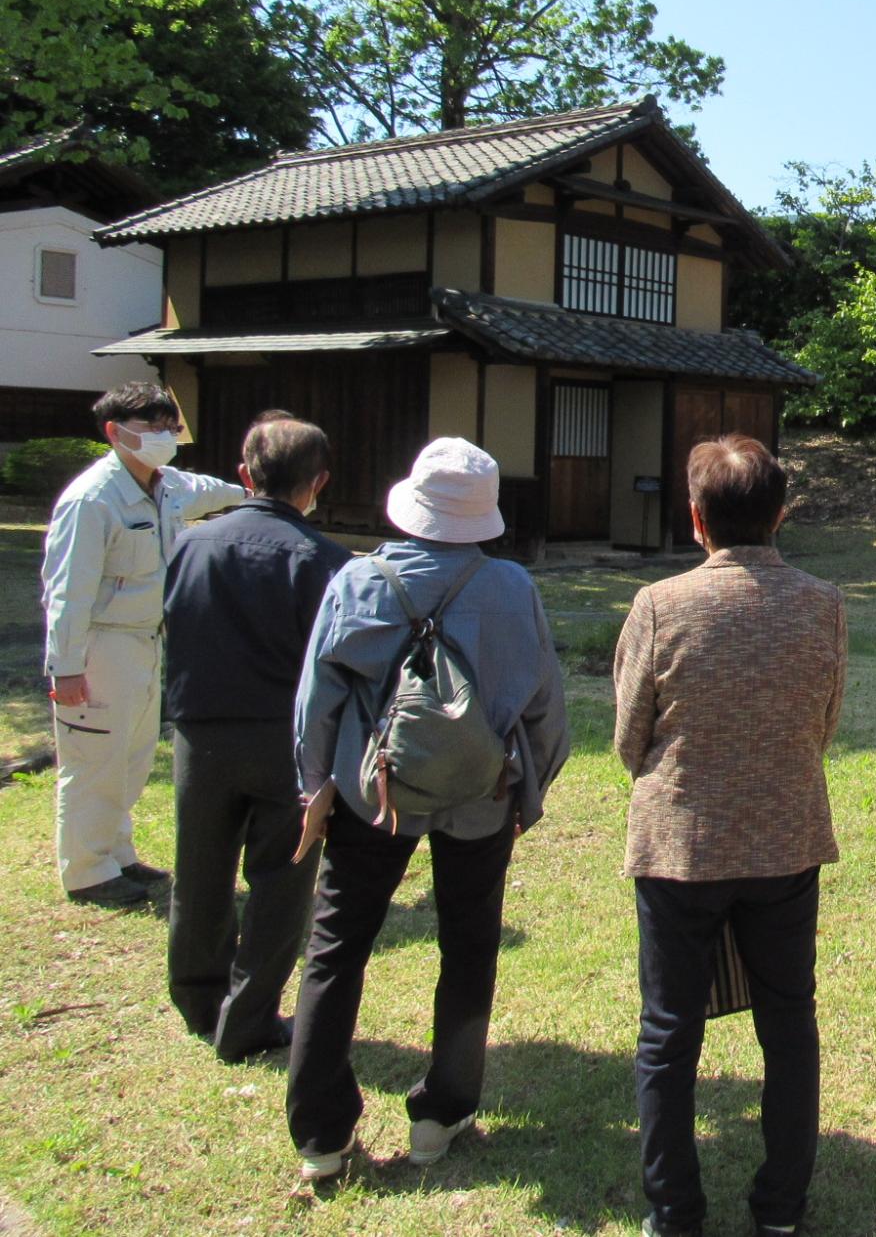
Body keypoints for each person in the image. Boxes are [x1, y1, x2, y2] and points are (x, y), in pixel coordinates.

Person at [286, 437, 568, 1183]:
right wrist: (529, 793)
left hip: (369, 797)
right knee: (469, 950)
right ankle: (443, 1115)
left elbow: (318, 702)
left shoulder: (359, 580)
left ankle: (321, 1137)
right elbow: (546, 709)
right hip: (482, 796)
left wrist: (315, 787)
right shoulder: (513, 588)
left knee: (336, 953)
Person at [612, 434, 847, 1237]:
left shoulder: (660, 606)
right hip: (785, 836)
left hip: (681, 842)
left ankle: (674, 1213)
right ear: (780, 515)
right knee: (789, 1023)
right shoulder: (822, 602)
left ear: (695, 519)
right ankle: (780, 1209)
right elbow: (824, 723)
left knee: (668, 1030)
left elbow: (626, 736)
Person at [163, 412, 349, 1062]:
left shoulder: (189, 544)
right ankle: (248, 1016)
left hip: (200, 726)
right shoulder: (327, 561)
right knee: (282, 875)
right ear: (318, 482)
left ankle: (196, 996)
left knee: (200, 868)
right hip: (283, 735)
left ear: (244, 476)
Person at [40, 381, 244, 907]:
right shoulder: (92, 500)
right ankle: (87, 872)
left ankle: (118, 854)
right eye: (151, 427)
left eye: (168, 426)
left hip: (147, 643)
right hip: (101, 646)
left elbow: (212, 492)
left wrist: (257, 495)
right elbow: (68, 591)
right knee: (93, 761)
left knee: (130, 757)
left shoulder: (167, 485)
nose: (164, 436)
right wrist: (65, 669)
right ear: (115, 432)